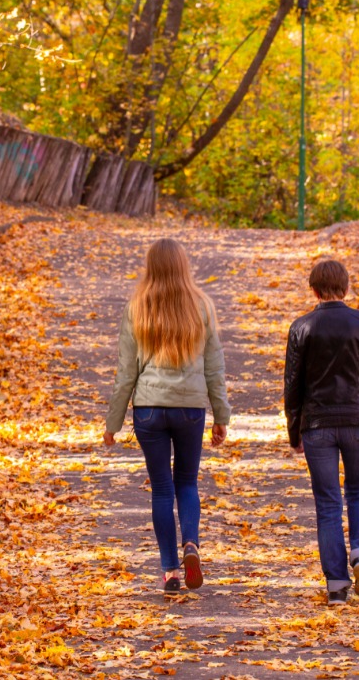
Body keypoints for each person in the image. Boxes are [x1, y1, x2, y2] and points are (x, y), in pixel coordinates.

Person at [104, 238, 230, 596]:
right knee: (187, 483)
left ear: (151, 266)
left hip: (149, 408)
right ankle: (192, 543)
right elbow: (214, 367)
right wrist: (221, 415)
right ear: (183, 266)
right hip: (190, 408)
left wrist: (113, 423)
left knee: (162, 489)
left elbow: (126, 371)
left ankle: (170, 571)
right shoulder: (201, 305)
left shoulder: (138, 306)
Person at [283, 259, 359, 605]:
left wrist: (294, 431)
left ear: (313, 290)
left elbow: (292, 386)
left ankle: (335, 585)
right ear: (346, 288)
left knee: (328, 503)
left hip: (317, 426)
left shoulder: (302, 327)